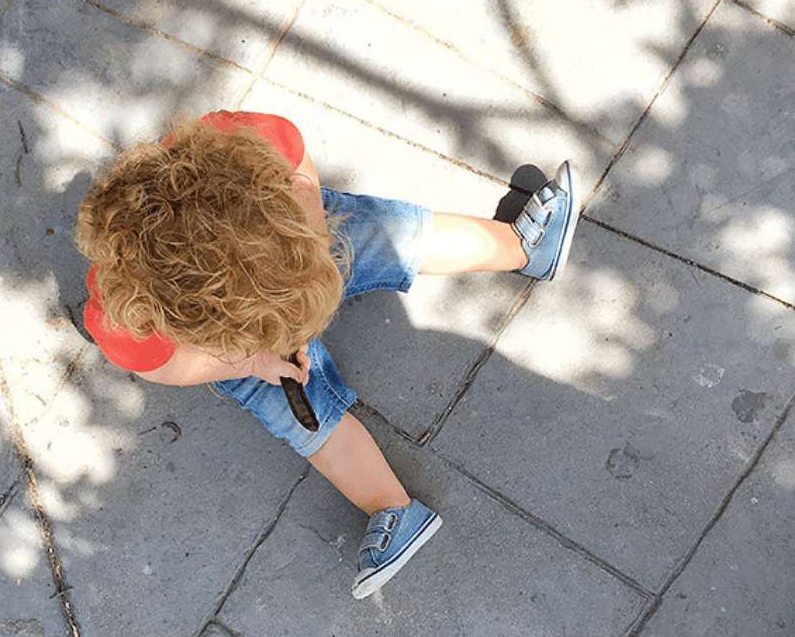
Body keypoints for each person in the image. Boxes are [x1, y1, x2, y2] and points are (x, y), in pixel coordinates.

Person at [74, 111, 579, 599]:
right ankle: (394, 510)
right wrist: (250, 361)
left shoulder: (248, 143)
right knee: (301, 409)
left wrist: (312, 244)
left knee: (393, 235)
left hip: (297, 246)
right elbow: (172, 364)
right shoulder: (125, 323)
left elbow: (299, 174)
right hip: (242, 339)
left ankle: (522, 247)